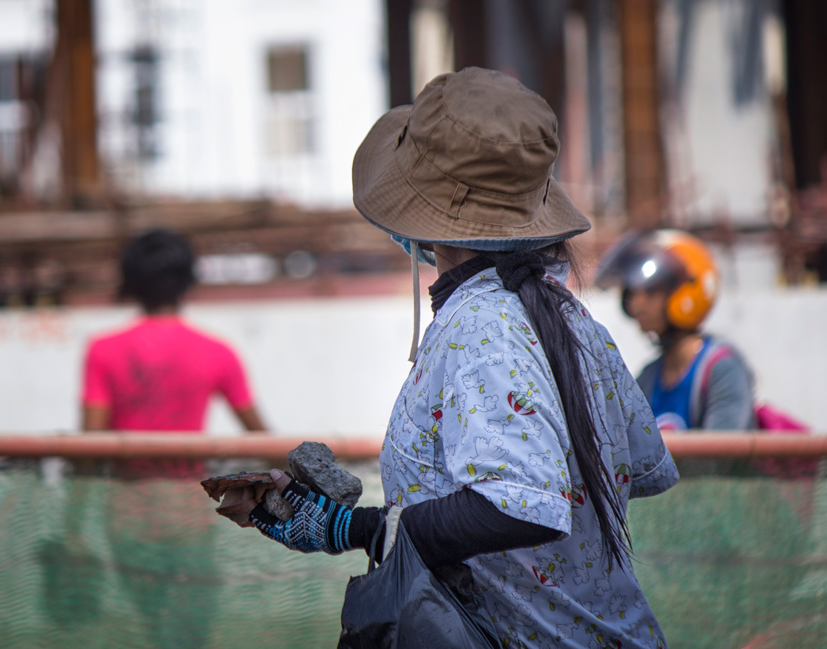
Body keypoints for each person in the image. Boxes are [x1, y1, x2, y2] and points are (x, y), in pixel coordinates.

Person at [242, 68, 679, 648]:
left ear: (429, 224)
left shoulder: (483, 326)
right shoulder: (569, 316)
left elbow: (519, 504)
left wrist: (367, 529)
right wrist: (351, 523)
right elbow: (637, 468)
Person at [81, 227, 268, 477]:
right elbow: (262, 440)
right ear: (187, 280)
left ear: (130, 280)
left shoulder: (102, 349)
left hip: (123, 505)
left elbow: (88, 449)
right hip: (190, 506)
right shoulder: (219, 352)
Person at [595, 229, 755, 433]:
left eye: (651, 291)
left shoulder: (722, 369)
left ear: (686, 291)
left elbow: (722, 458)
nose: (637, 303)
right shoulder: (649, 378)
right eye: (633, 292)